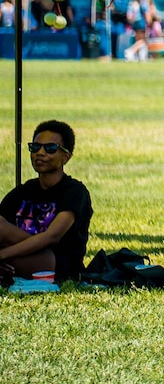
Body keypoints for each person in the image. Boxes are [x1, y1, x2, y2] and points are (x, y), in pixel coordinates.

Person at [0, 120, 94, 282]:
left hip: (54, 263)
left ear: (66, 157)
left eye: (50, 149)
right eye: (35, 147)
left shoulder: (74, 192)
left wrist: (3, 254)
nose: (40, 153)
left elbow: (52, 236)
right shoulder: (23, 191)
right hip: (19, 255)